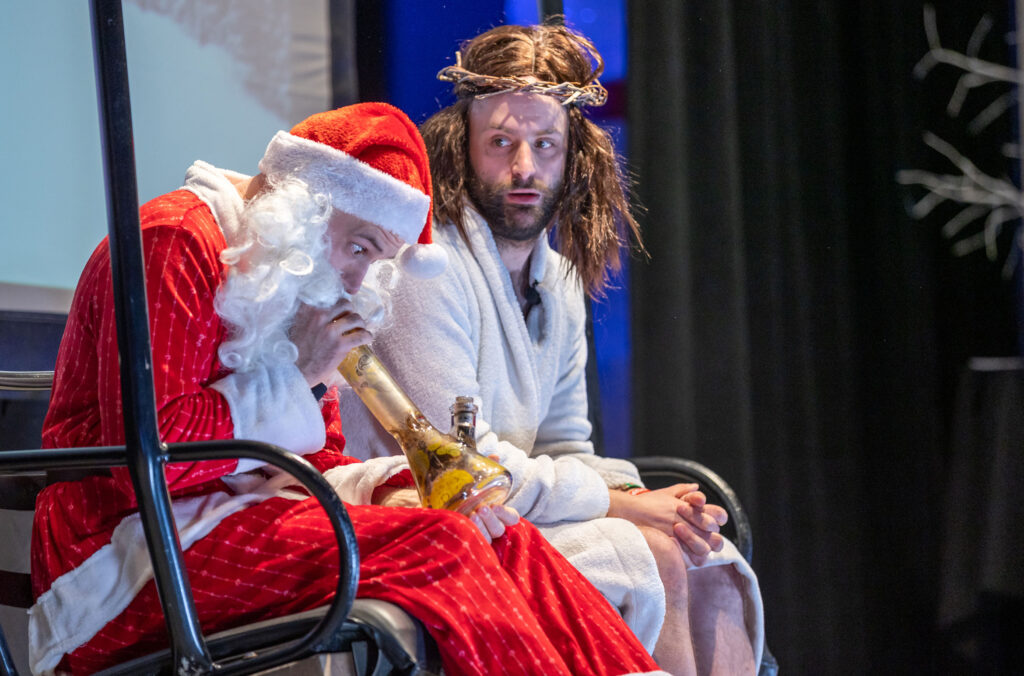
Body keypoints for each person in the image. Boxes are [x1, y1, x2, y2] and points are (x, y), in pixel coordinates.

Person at [28, 102, 669, 676]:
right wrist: (300, 374)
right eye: (360, 248)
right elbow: (149, 460)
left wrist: (394, 492)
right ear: (307, 206)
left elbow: (323, 463)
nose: (360, 280)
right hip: (122, 555)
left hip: (229, 525)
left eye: (377, 259)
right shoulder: (172, 243)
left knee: (493, 530)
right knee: (440, 546)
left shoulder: (287, 272)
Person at [337, 24, 765, 676]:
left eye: (545, 145)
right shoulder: (427, 269)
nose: (524, 168)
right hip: (430, 516)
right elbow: (459, 462)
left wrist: (654, 500)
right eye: (501, 143)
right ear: (461, 146)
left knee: (705, 553)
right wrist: (624, 503)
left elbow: (565, 446)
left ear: (575, 156)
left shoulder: (559, 281)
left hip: (517, 505)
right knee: (652, 554)